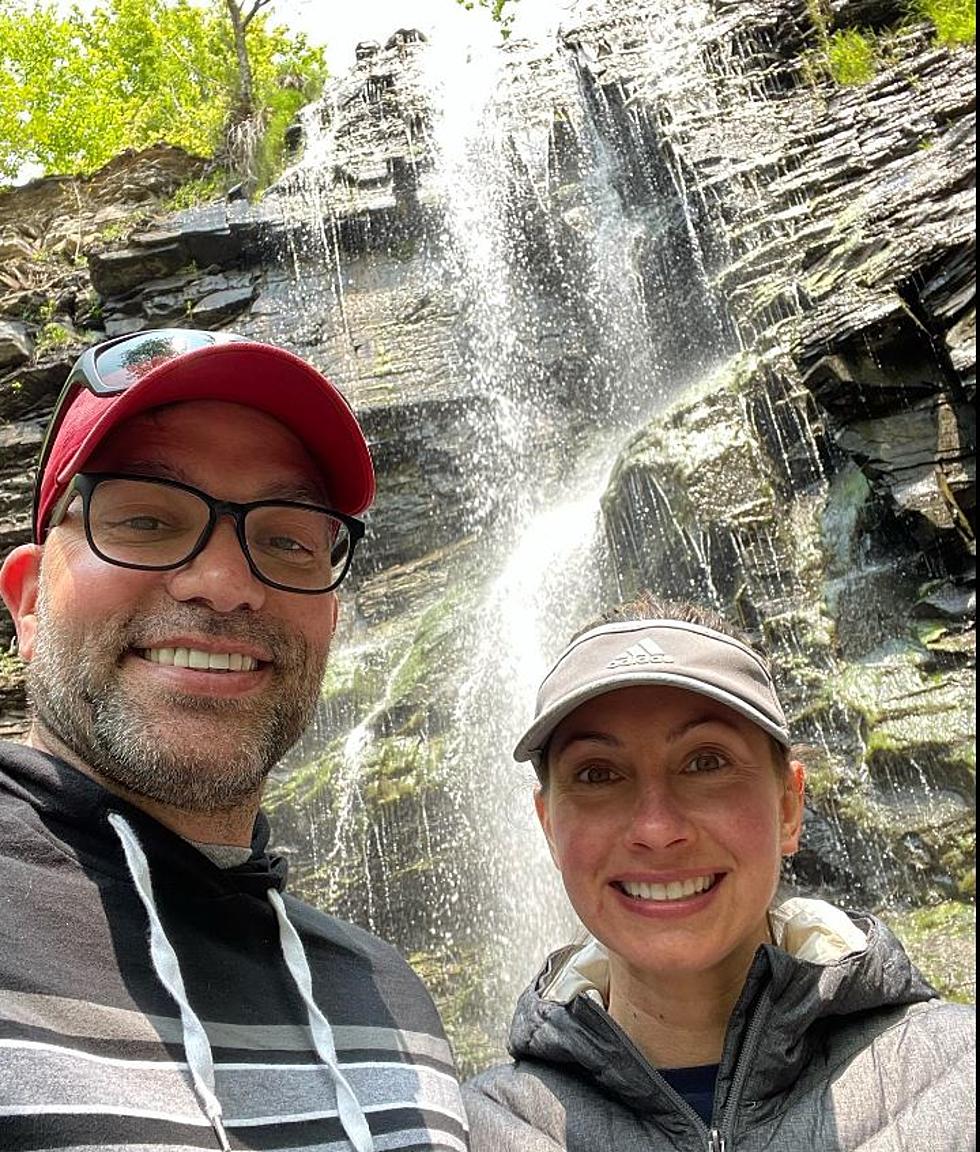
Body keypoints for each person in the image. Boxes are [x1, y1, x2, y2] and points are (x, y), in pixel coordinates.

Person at [0, 328, 468, 1152]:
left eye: (287, 539)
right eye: (145, 518)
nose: (223, 583)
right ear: (29, 601)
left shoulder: (397, 1009)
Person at [464, 595, 976, 1151]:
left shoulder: (956, 1077)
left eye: (706, 761)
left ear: (788, 806)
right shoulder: (471, 1130)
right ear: (548, 826)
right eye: (597, 773)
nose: (656, 828)